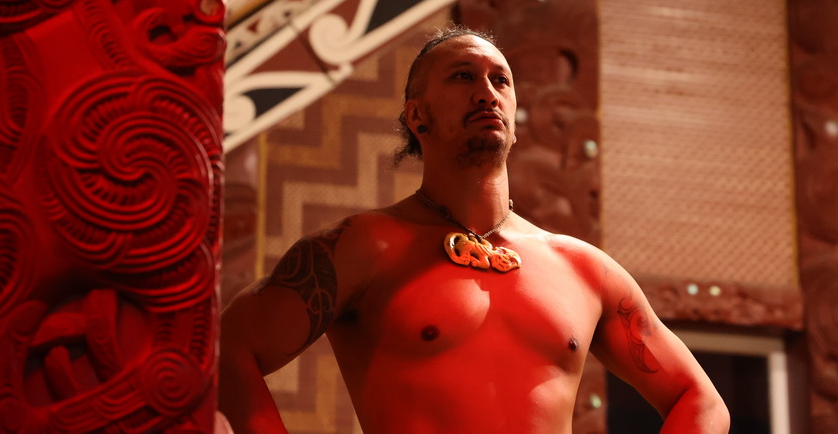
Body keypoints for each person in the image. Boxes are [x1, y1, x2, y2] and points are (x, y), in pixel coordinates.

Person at [218, 26, 730, 433]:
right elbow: (226, 352)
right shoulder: (361, 247)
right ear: (417, 116)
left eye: (500, 80)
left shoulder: (584, 269)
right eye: (463, 76)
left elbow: (700, 401)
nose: (487, 92)